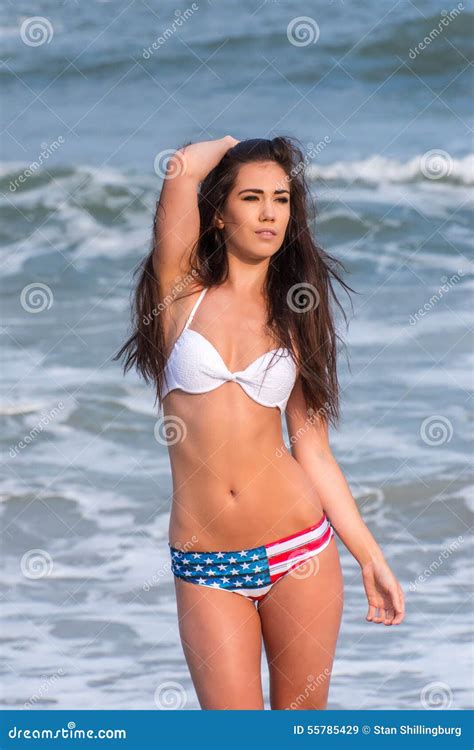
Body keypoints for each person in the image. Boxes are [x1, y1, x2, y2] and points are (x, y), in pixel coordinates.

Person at [115, 135, 405, 710]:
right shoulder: (179, 296)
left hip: (301, 551)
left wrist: (371, 558)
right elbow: (180, 171)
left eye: (282, 198)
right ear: (219, 215)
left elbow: (315, 453)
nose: (270, 212)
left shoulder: (298, 315)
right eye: (252, 197)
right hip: (206, 564)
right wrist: (232, 145)